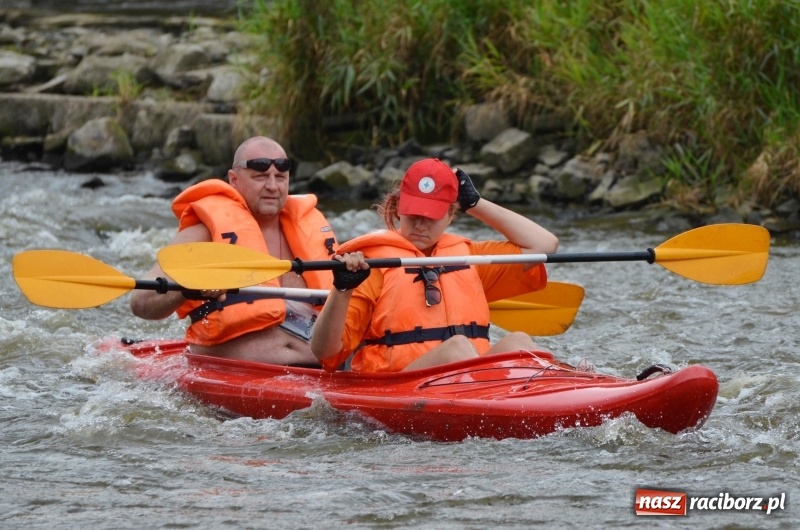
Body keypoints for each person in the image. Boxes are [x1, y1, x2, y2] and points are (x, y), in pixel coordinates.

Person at [310, 158, 558, 373]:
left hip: (471, 382)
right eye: (414, 214)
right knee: (457, 348)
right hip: (397, 384)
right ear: (398, 209)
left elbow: (544, 245)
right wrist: (342, 289)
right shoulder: (370, 265)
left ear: (451, 214)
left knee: (519, 342)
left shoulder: (470, 257)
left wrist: (475, 204)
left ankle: (557, 388)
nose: (420, 225)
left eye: (431, 216)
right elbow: (323, 350)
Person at [130, 136, 338, 366]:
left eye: (280, 177)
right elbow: (141, 302)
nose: (272, 186)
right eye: (260, 176)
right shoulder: (206, 233)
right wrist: (189, 285)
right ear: (234, 180)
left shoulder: (311, 230)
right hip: (240, 374)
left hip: (319, 370)